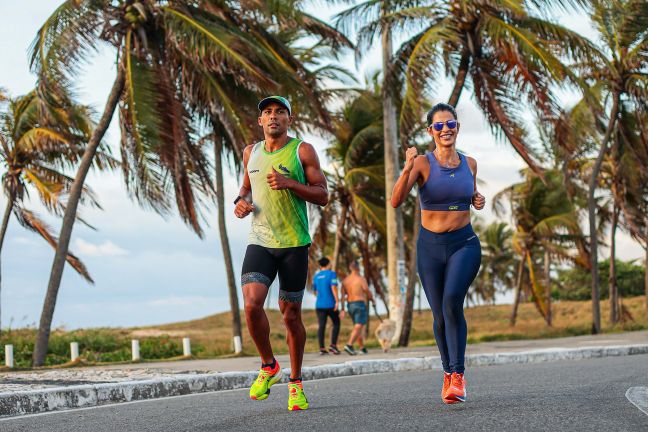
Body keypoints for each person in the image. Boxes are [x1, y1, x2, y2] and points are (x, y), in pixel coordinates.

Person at [234, 95, 328, 411]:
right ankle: (268, 365)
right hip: (260, 240)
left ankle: (296, 383)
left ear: (289, 120)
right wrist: (240, 201)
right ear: (260, 121)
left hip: (294, 245)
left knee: (290, 316)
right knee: (251, 305)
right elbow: (246, 187)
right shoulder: (251, 152)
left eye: (280, 112)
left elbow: (323, 195)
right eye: (267, 113)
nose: (273, 117)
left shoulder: (302, 150)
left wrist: (289, 183)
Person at [391, 103, 485, 404]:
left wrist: (476, 198)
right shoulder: (422, 163)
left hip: (464, 244)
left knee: (451, 301)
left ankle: (458, 375)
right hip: (430, 247)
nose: (446, 130)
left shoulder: (470, 163)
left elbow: (466, 195)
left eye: (451, 124)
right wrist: (407, 167)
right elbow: (396, 201)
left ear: (457, 127)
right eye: (439, 126)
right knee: (439, 315)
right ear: (430, 130)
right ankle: (447, 373)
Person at [340, 260, 374, 355]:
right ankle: (349, 344)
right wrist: (372, 300)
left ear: (350, 268)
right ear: (358, 268)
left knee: (357, 326)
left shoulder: (345, 281)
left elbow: (342, 296)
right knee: (359, 325)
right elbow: (366, 290)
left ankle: (362, 347)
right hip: (359, 304)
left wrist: (342, 309)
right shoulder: (361, 279)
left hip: (350, 305)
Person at [312, 257, 341, 355]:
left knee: (322, 326)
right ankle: (333, 346)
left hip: (319, 305)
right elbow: (334, 287)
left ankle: (322, 348)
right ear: (328, 264)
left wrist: (321, 297)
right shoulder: (332, 274)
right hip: (330, 304)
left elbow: (315, 291)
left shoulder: (316, 276)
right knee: (336, 323)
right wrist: (337, 301)